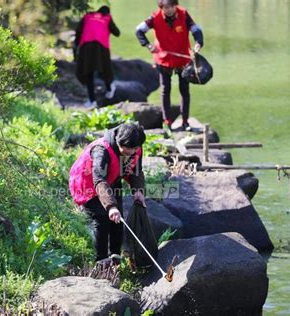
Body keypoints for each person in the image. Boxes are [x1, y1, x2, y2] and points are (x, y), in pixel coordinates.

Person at [69, 123, 146, 261]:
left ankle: (115, 256)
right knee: (102, 220)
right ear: (118, 142)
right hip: (88, 184)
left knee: (118, 219)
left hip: (112, 179)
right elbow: (99, 180)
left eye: (135, 149)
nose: (133, 153)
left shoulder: (135, 145)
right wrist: (110, 206)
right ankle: (101, 260)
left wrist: (138, 191)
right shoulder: (102, 150)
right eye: (128, 150)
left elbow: (136, 170)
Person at [135, 0, 204, 131]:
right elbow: (139, 30)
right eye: (166, 7)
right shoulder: (154, 18)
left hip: (183, 59)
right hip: (163, 59)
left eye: (172, 6)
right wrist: (148, 45)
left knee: (184, 90)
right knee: (165, 90)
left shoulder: (184, 14)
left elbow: (196, 30)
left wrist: (198, 43)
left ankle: (185, 122)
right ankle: (167, 122)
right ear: (161, 7)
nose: (170, 9)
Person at [74, 5, 120, 108]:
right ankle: (109, 88)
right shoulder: (107, 18)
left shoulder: (87, 16)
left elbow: (78, 31)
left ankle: (92, 101)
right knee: (104, 70)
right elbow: (117, 33)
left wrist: (76, 45)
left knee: (89, 74)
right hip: (101, 47)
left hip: (86, 48)